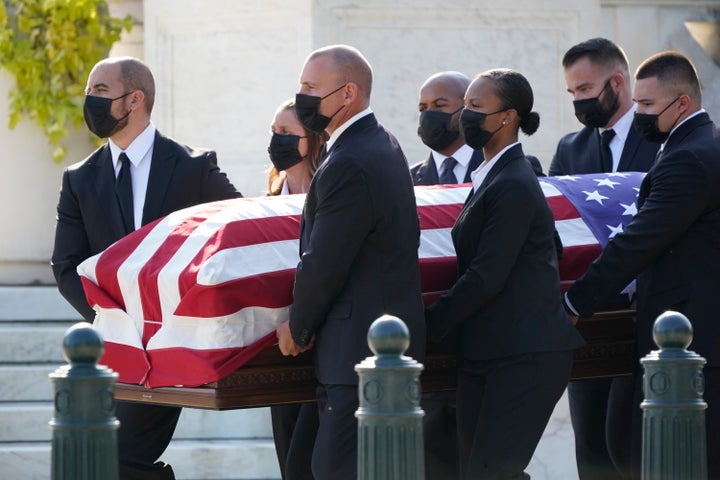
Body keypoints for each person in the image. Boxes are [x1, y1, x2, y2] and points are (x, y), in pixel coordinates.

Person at [51, 56, 241, 480]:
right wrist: (115, 323)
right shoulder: (78, 178)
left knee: (118, 454)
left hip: (171, 341)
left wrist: (184, 317)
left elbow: (236, 233)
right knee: (107, 457)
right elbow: (66, 266)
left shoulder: (193, 166)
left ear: (134, 99)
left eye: (100, 90)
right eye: (89, 91)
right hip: (114, 345)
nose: (89, 100)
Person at [563, 51, 720, 480]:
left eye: (648, 106)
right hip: (682, 332)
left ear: (682, 104)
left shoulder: (689, 158)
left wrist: (576, 300)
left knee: (662, 458)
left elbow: (639, 240)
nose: (641, 114)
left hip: (689, 339)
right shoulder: (699, 147)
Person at [424, 68, 584, 479]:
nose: (465, 117)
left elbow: (487, 276)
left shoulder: (513, 181)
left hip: (524, 355)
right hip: (489, 352)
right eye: (466, 107)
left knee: (490, 473)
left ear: (507, 117)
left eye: (476, 107)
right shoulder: (494, 176)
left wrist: (427, 325)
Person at [275, 44, 425, 480]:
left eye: (311, 87)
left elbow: (324, 260)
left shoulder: (350, 160)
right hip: (369, 345)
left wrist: (299, 326)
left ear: (348, 94)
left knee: (336, 469)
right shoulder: (379, 143)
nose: (301, 95)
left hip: (359, 349)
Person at [549, 38, 659, 480]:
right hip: (589, 322)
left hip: (649, 315)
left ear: (617, 82)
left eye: (585, 89)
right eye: (572, 93)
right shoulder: (570, 149)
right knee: (591, 453)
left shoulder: (662, 138)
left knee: (636, 450)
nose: (579, 100)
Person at [266, 98, 325, 480]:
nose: (277, 141)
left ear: (312, 141)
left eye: (287, 133)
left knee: (308, 462)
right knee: (289, 461)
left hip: (321, 342)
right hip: (278, 350)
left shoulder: (330, 192)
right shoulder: (267, 199)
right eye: (274, 132)